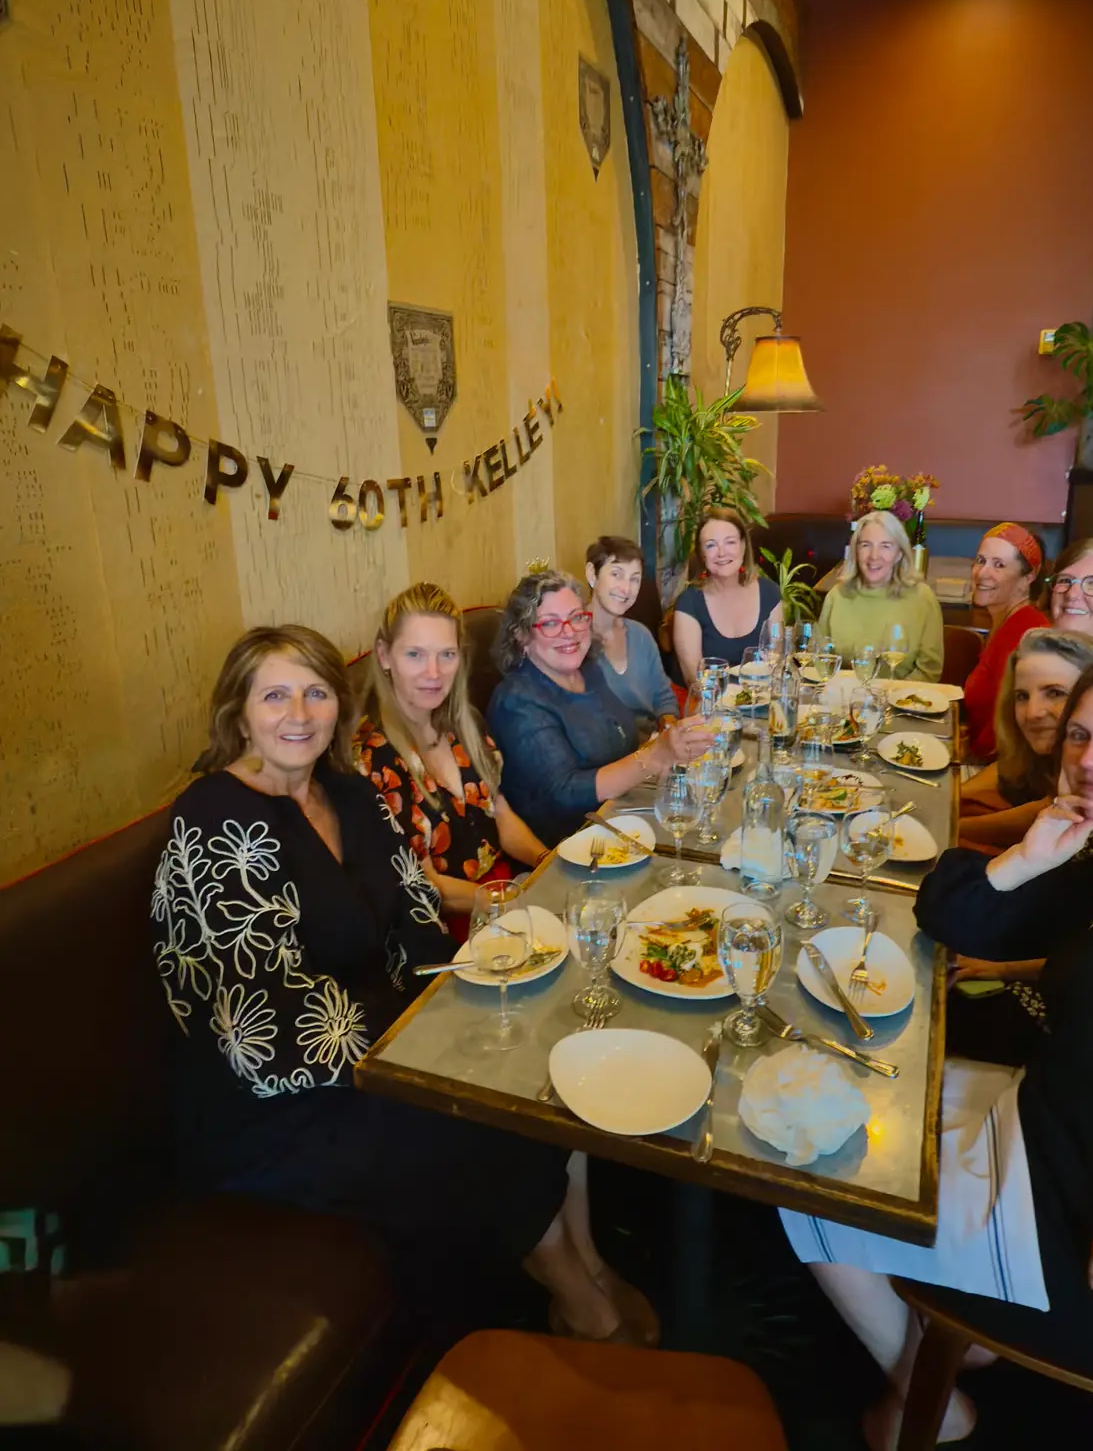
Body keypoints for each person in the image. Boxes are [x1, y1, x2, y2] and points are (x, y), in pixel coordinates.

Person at [781, 659, 1093, 1448]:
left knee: (802, 1166)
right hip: (1051, 1141)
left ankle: (931, 1402)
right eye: (1079, 736)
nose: (1088, 758)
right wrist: (1026, 857)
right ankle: (956, 1335)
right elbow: (952, 916)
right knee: (831, 1102)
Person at [151, 625, 645, 1340]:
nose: (299, 714)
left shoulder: (347, 795)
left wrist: (456, 1020)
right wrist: (425, 1056)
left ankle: (590, 1264)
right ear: (239, 713)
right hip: (270, 1106)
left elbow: (416, 911)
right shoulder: (211, 820)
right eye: (276, 696)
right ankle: (582, 1304)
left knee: (533, 1066)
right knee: (478, 1125)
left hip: (383, 1050)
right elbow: (261, 1031)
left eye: (317, 692)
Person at [354, 582, 550, 944]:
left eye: (446, 654)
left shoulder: (464, 724)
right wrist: (507, 904)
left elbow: (501, 815)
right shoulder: (375, 758)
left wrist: (547, 864)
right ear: (384, 655)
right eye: (415, 654)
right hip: (450, 931)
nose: (434, 672)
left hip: (506, 899)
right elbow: (425, 885)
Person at [487, 568, 715, 846]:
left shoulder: (588, 670)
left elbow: (622, 745)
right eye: (549, 623)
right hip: (567, 853)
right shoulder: (517, 701)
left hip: (623, 823)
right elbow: (565, 792)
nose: (568, 632)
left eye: (576, 618)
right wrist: (655, 757)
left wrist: (669, 749)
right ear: (522, 636)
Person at [958, 628, 1093, 852]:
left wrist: (949, 827)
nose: (1032, 713)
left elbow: (1030, 820)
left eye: (1055, 693)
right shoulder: (1041, 758)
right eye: (1022, 696)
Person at [816, 511, 943, 679]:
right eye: (866, 545)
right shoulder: (837, 596)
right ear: (855, 551)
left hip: (901, 700)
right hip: (845, 699)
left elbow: (929, 671)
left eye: (886, 546)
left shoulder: (922, 598)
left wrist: (889, 697)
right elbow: (819, 660)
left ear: (899, 554)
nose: (874, 556)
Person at [963, 523, 1049, 760]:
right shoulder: (1005, 623)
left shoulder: (1026, 634)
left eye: (999, 565)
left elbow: (1008, 737)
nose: (982, 573)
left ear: (1027, 578)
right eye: (981, 560)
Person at [671, 506, 782, 684]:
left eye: (730, 542)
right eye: (711, 545)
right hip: (709, 706)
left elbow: (775, 663)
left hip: (760, 701)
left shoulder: (770, 594)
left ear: (743, 546)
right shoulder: (689, 603)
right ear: (701, 554)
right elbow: (695, 681)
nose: (722, 553)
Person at [584, 535, 678, 732]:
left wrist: (669, 732)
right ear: (592, 574)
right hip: (608, 755)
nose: (626, 588)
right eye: (616, 574)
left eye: (634, 579)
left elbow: (664, 698)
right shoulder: (573, 641)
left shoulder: (640, 635)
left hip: (652, 746)